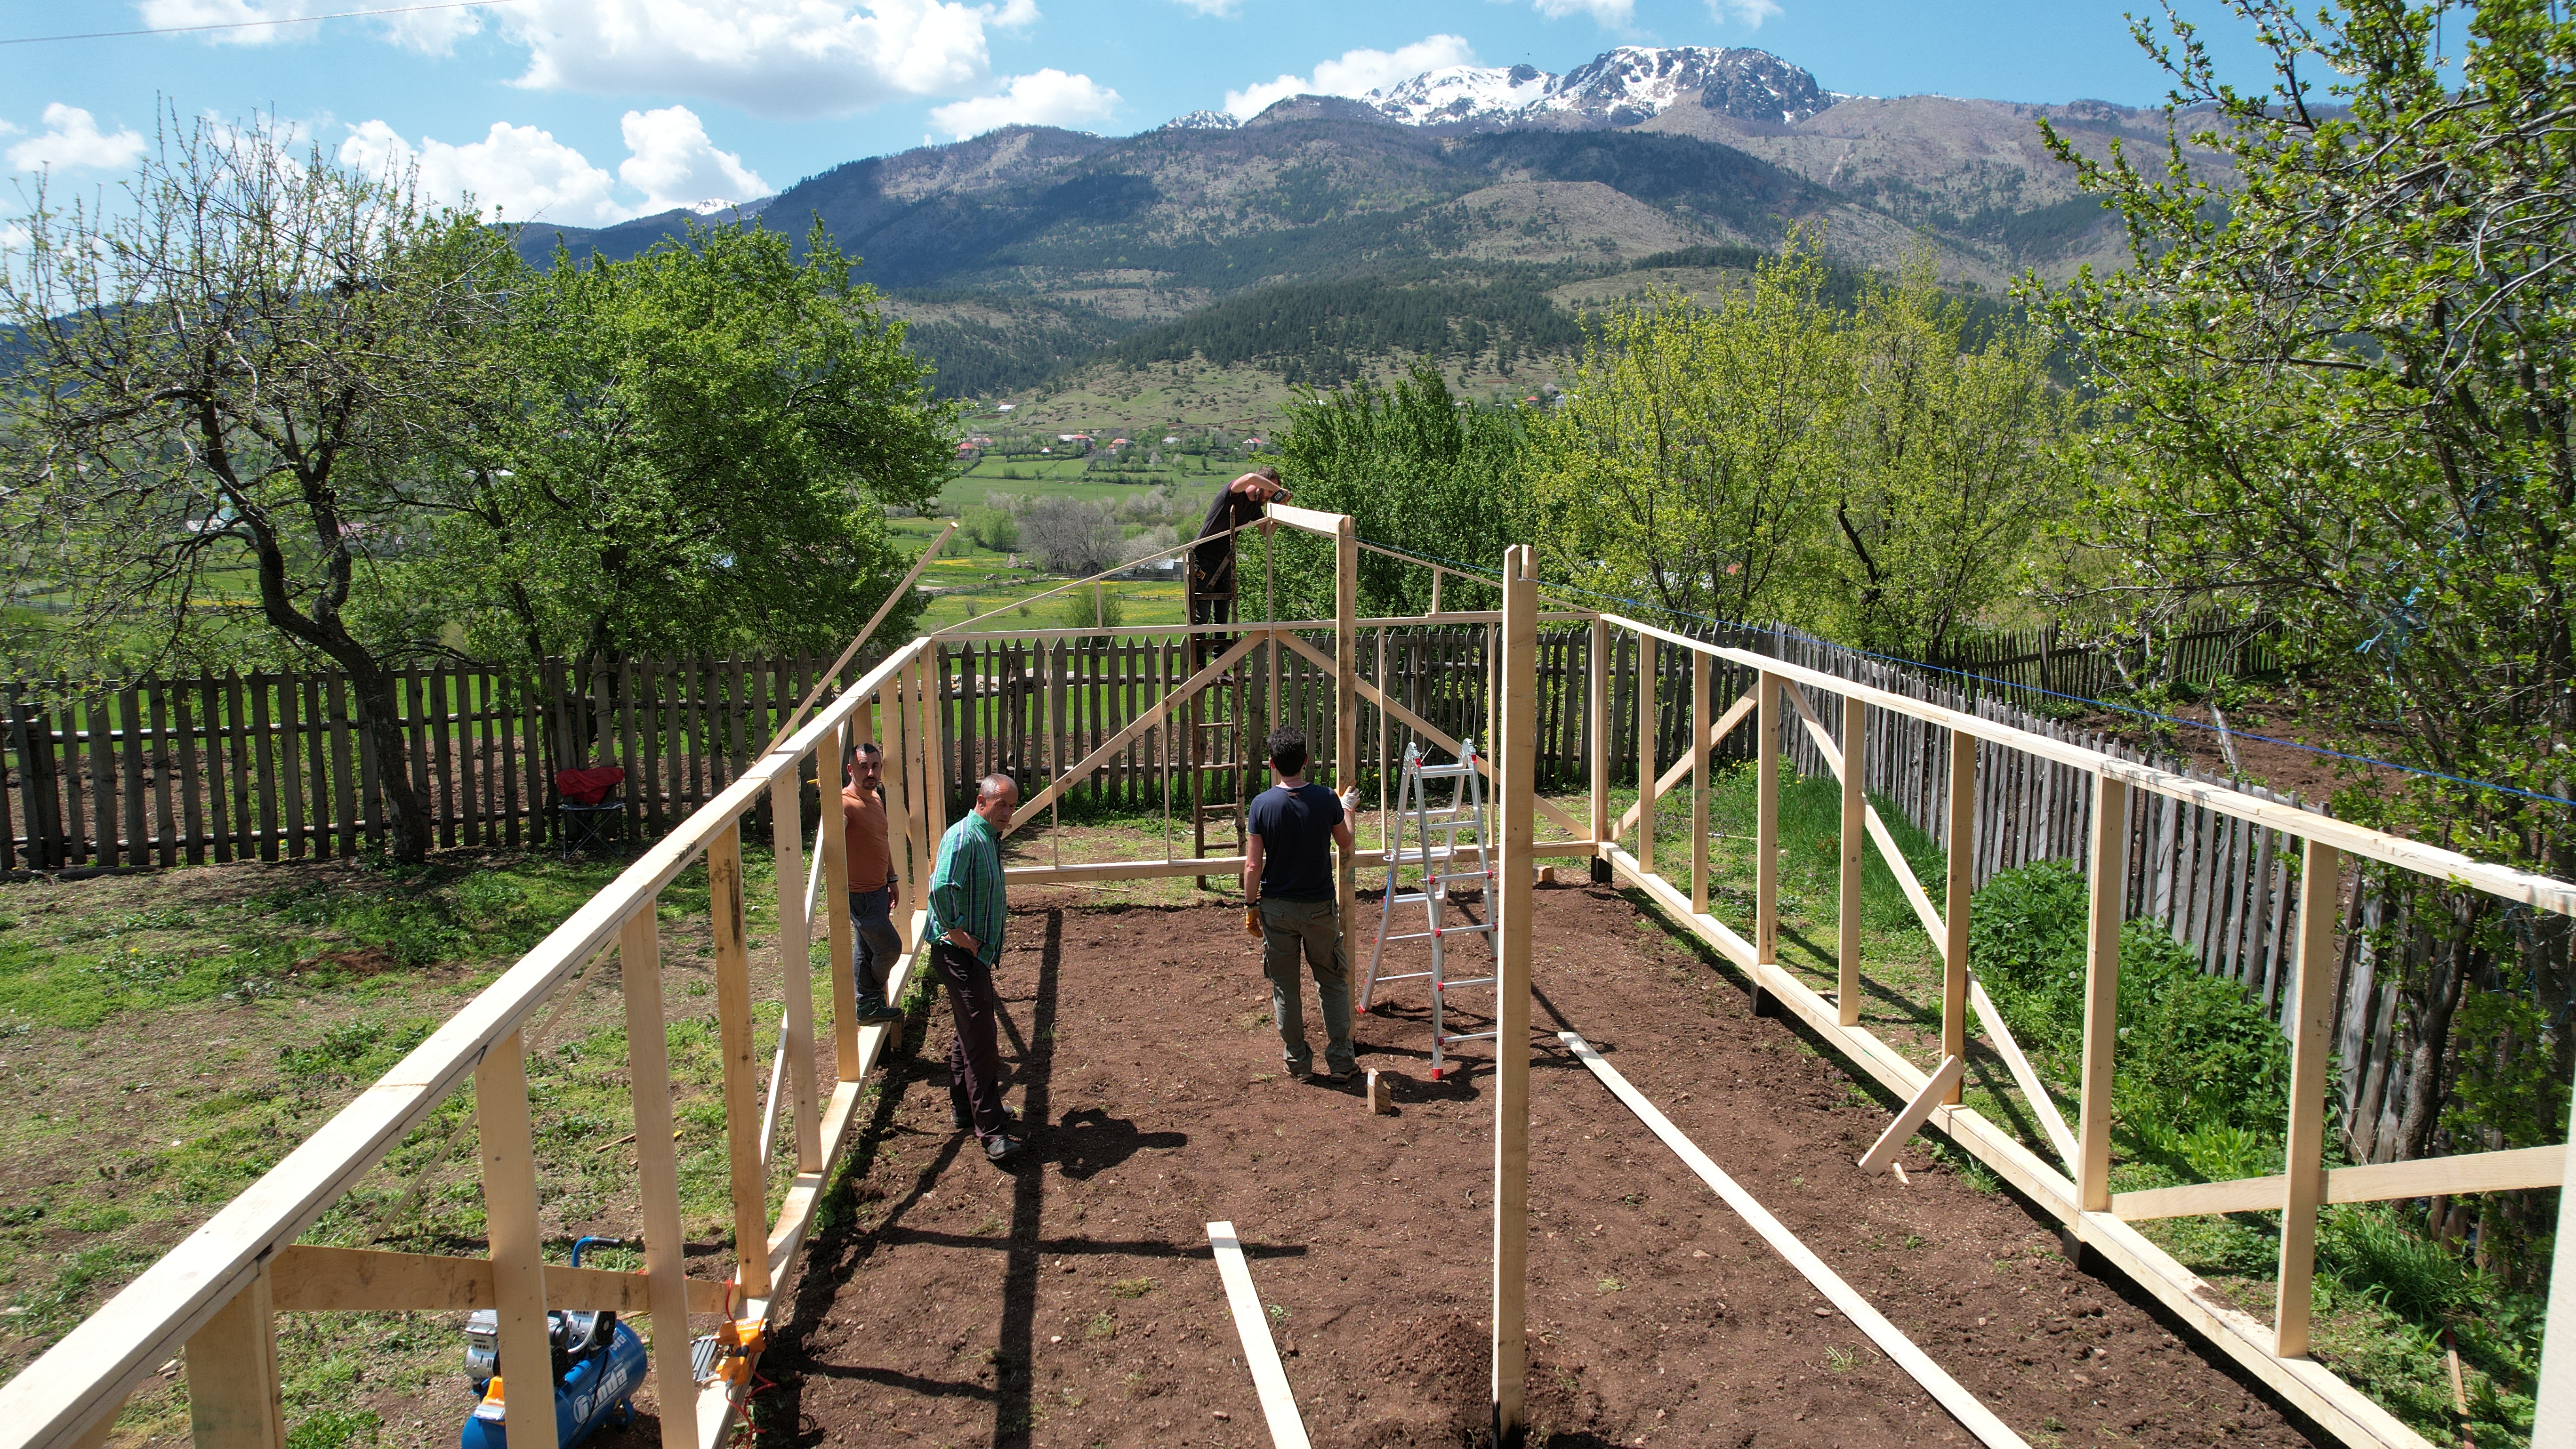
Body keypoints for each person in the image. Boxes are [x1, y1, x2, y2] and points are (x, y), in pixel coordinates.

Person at [1241, 726, 1361, 1083]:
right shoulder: (1326, 799)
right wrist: (1347, 809)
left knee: (1285, 986)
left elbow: (1252, 865)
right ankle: (1341, 1061)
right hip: (1319, 908)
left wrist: (1250, 907)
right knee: (1332, 982)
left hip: (1277, 909)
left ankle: (1297, 1062)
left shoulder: (1262, 805)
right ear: (1306, 761)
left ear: (1272, 764)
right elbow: (1346, 844)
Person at [927, 773, 1025, 1163]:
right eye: (1002, 804)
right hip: (959, 955)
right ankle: (993, 1133)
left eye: (1013, 806)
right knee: (982, 1042)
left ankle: (963, 1109)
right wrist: (956, 931)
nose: (1008, 813)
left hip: (974, 955)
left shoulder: (987, 837)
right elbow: (940, 887)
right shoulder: (964, 836)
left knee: (968, 1030)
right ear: (982, 800)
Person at [1189, 467, 1288, 662]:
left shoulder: (1254, 507)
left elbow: (1266, 531)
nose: (1270, 496)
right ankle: (1199, 664)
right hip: (1203, 557)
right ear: (1260, 484)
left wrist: (1281, 508)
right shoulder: (1233, 494)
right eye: (1269, 490)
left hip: (1225, 560)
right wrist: (1280, 490)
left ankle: (1220, 664)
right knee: (1202, 616)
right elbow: (1250, 477)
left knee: (1223, 617)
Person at [842, 741, 908, 1026]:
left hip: (878, 889)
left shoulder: (875, 797)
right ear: (850, 769)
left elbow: (882, 842)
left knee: (867, 949)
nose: (870, 772)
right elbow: (832, 834)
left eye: (875, 766)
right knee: (890, 948)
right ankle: (869, 996)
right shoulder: (845, 804)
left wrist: (891, 878)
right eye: (863, 767)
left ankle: (867, 1003)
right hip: (860, 894)